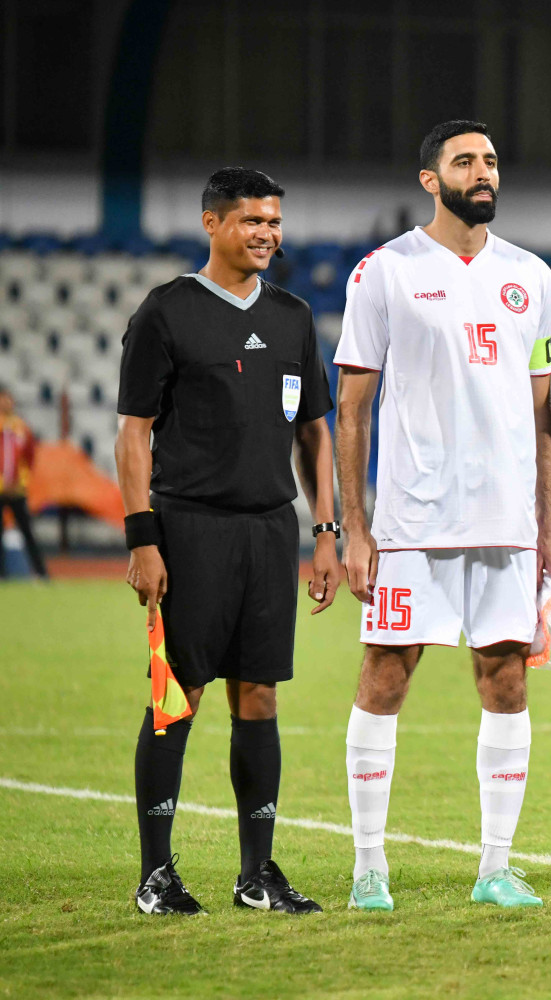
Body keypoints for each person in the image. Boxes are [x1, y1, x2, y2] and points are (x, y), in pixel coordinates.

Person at [334, 120, 551, 913]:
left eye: (492, 159)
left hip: (506, 523)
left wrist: (549, 535)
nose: (484, 171)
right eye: (465, 160)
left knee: (505, 681)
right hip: (413, 521)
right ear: (430, 179)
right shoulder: (386, 271)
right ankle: (370, 869)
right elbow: (352, 405)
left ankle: (495, 867)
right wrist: (354, 528)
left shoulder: (530, 276)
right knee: (385, 676)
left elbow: (543, 420)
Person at [116, 167, 337, 915]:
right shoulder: (167, 312)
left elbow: (314, 432)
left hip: (271, 529)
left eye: (274, 221)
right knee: (178, 697)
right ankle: (156, 875)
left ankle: (257, 875)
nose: (267, 233)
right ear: (212, 224)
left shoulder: (294, 316)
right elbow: (133, 434)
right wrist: (143, 538)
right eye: (251, 221)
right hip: (190, 528)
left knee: (261, 697)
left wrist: (327, 531)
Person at [0, 386, 48, 578]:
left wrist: (23, 481)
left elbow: (29, 457)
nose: (5, 403)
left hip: (17, 490)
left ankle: (41, 573)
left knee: (27, 532)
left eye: (7, 399)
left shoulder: (21, 427)